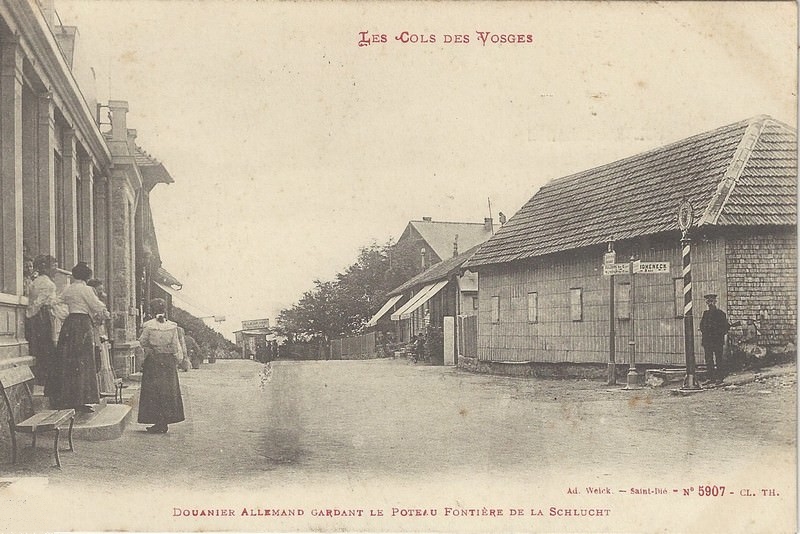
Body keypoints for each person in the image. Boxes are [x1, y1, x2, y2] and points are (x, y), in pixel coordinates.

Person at [52, 262, 109, 412]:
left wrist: (63, 315)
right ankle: (81, 399)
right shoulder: (87, 289)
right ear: (87, 276)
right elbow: (97, 306)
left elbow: (55, 301)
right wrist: (104, 312)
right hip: (83, 324)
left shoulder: (68, 288)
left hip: (70, 324)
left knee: (68, 360)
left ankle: (66, 398)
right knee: (84, 360)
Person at [137, 298, 185, 433]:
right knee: (167, 391)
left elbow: (142, 341)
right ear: (164, 310)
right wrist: (177, 359)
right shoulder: (172, 326)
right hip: (168, 361)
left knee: (153, 391)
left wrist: (152, 348)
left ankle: (158, 422)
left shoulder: (148, 325)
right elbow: (175, 346)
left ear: (152, 311)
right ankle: (164, 421)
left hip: (154, 360)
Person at [25, 255, 68, 396]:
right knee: (47, 347)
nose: (56, 269)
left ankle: (43, 379)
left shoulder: (38, 280)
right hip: (43, 317)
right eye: (53, 266)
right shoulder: (47, 284)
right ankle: (46, 381)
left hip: (40, 316)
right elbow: (38, 302)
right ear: (46, 268)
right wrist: (31, 313)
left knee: (41, 347)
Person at [87, 279, 117, 393]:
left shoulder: (100, 302)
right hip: (94, 331)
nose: (101, 292)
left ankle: (103, 387)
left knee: (103, 357)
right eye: (99, 290)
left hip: (101, 331)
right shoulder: (89, 302)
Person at [699, 293, 730, 385]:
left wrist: (718, 334)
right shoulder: (705, 314)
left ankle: (720, 378)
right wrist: (706, 332)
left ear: (715, 302)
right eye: (708, 301)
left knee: (719, 359)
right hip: (707, 341)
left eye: (712, 301)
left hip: (717, 341)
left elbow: (725, 328)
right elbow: (702, 326)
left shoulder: (721, 314)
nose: (710, 303)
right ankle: (711, 378)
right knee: (709, 360)